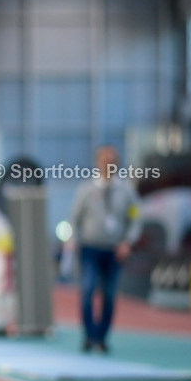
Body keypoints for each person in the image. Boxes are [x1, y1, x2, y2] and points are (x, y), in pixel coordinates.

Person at [69, 145, 141, 353]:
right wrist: (73, 240)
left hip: (114, 250)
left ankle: (101, 337)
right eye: (104, 159)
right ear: (97, 162)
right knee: (88, 290)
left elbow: (136, 218)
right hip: (90, 249)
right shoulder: (86, 190)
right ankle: (89, 335)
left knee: (109, 295)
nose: (108, 163)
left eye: (112, 159)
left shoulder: (127, 192)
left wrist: (128, 241)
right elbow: (74, 218)